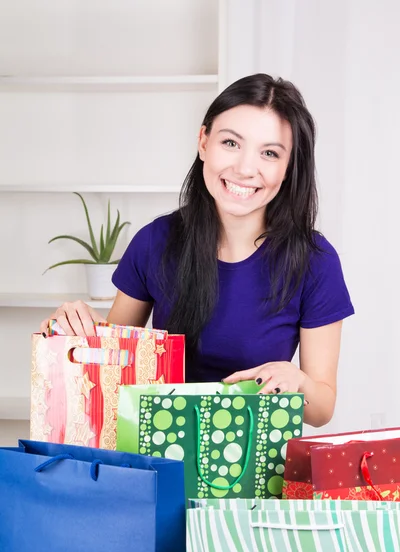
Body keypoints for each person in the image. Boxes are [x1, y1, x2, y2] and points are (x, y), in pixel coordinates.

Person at [41, 73, 354, 427]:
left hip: (254, 463)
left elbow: (322, 408)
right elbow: (111, 369)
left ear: (288, 167)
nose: (245, 168)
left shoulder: (315, 261)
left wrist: (297, 381)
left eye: (269, 153)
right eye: (231, 143)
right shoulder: (155, 242)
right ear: (203, 142)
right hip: (158, 456)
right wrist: (69, 327)